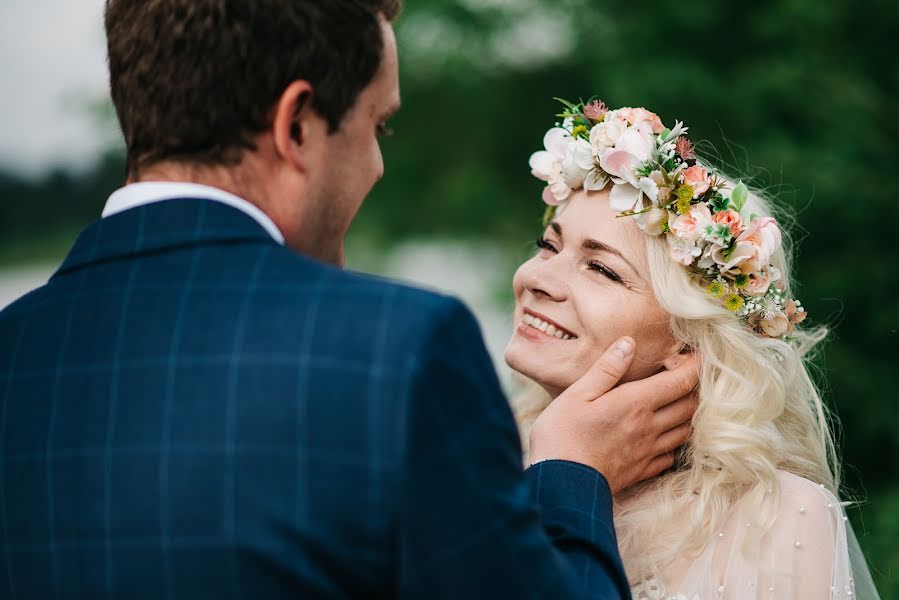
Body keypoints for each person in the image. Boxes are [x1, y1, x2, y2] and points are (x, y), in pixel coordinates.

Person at [0, 3, 700, 598]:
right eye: (378, 126)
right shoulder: (394, 351)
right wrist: (572, 475)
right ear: (296, 124)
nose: (377, 162)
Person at [509, 99, 880, 599]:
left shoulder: (776, 517)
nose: (536, 278)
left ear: (687, 342)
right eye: (549, 245)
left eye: (602, 269)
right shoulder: (479, 465)